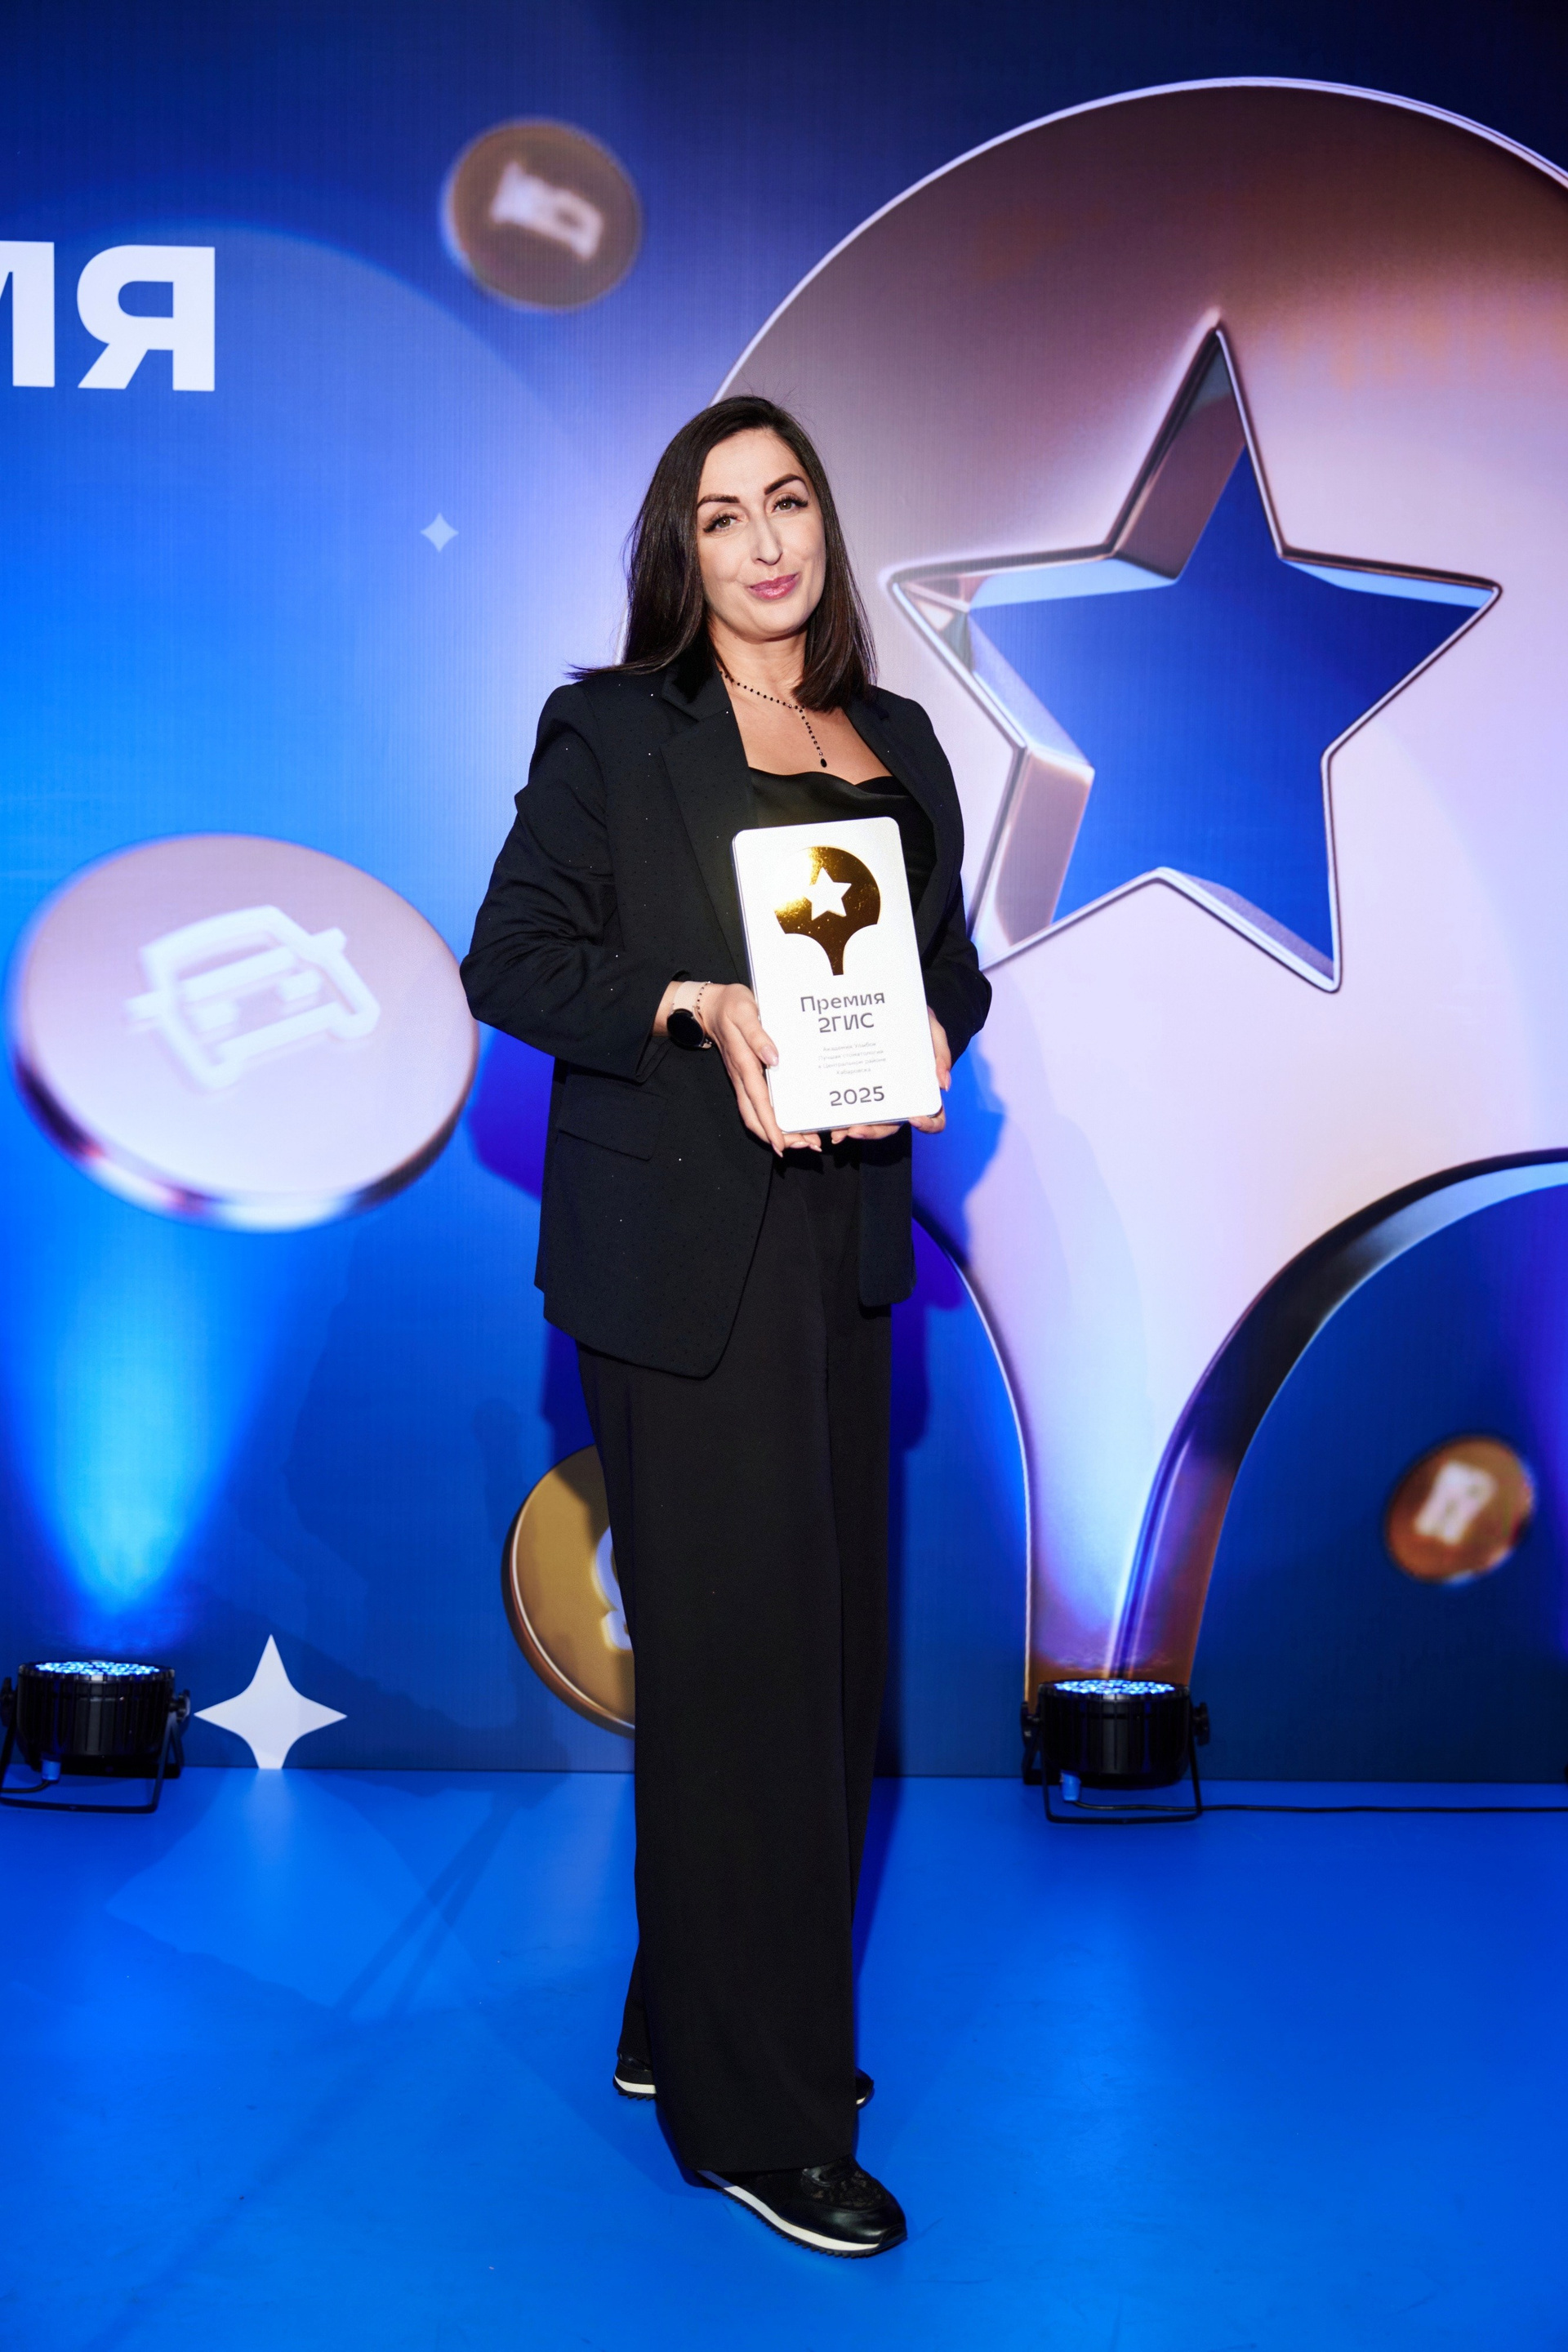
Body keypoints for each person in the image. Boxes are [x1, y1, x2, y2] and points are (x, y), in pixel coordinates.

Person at [462, 394, 990, 2256]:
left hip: (843, 1248)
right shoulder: (616, 729)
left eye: (788, 504)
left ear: (826, 525)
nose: (764, 543)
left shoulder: (898, 741)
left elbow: (950, 971)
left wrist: (925, 1040)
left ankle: (688, 2006)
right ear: (678, 554)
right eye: (720, 516)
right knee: (745, 1667)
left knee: (820, 1666)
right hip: (679, 1260)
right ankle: (760, 2118)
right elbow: (512, 958)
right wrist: (697, 1002)